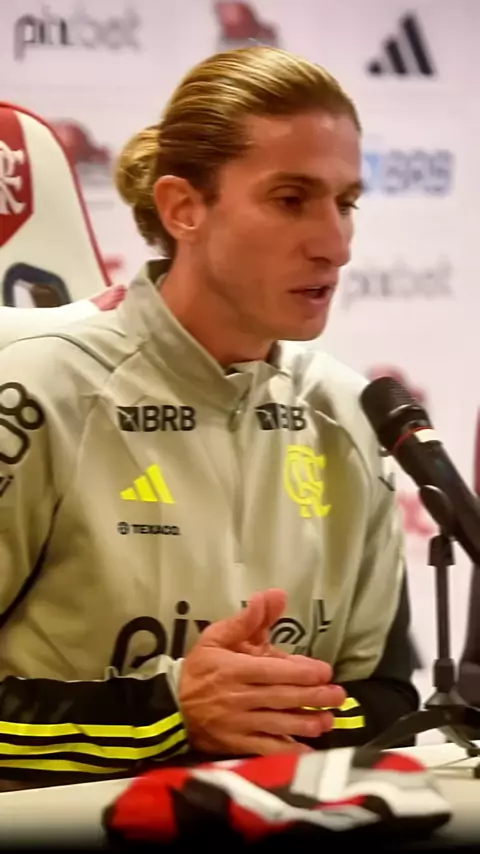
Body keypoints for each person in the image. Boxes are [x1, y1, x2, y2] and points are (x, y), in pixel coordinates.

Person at [0, 46, 418, 784]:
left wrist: (265, 706)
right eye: (290, 199)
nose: (336, 245)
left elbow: (384, 699)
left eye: (346, 202)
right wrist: (167, 714)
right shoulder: (34, 390)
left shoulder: (350, 415)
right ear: (183, 208)